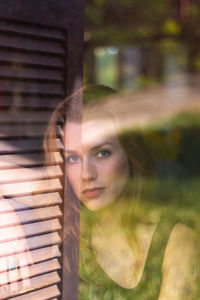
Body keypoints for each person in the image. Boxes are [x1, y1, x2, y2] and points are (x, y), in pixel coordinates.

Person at [45, 85, 200, 300]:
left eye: (102, 153)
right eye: (73, 158)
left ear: (130, 152)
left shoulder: (176, 242)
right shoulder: (65, 237)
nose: (86, 174)